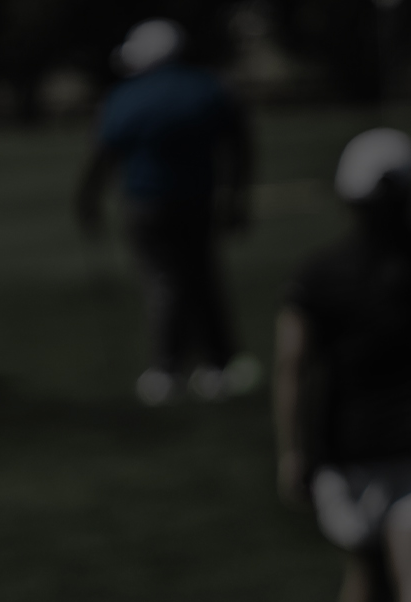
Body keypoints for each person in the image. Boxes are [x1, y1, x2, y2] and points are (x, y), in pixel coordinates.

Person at [274, 127, 411, 602]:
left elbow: (294, 366)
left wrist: (292, 448)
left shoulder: (321, 274)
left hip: (352, 450)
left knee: (368, 570)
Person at [75, 18, 258, 406]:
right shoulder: (211, 87)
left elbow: (101, 154)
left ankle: (166, 370)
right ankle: (218, 365)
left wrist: (87, 200)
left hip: (146, 203)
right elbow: (241, 143)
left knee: (165, 283)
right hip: (199, 200)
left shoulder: (126, 95)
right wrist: (238, 199)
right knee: (202, 276)